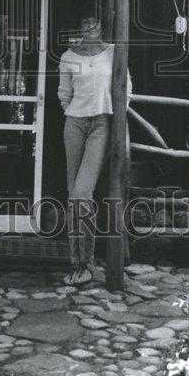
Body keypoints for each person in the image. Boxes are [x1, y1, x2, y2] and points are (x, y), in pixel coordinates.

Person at [58, 14, 132, 285]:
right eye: (84, 25)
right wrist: (76, 113)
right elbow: (64, 95)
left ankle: (87, 263)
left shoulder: (114, 52)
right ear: (79, 29)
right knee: (72, 196)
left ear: (102, 27)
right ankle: (75, 264)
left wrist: (111, 121)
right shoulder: (68, 57)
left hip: (101, 124)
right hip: (74, 124)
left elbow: (127, 89)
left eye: (95, 24)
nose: (90, 29)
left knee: (82, 193)